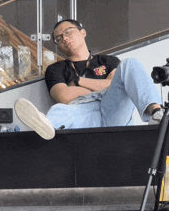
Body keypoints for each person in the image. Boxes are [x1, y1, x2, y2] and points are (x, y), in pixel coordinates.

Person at [15, 19, 163, 140]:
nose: (64, 38)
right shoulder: (55, 69)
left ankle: (157, 114)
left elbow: (116, 86)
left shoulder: (108, 61)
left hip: (113, 110)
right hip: (83, 113)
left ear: (83, 32)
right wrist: (103, 88)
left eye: (68, 32)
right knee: (59, 109)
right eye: (58, 39)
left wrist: (78, 82)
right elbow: (64, 96)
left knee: (130, 64)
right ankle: (45, 123)